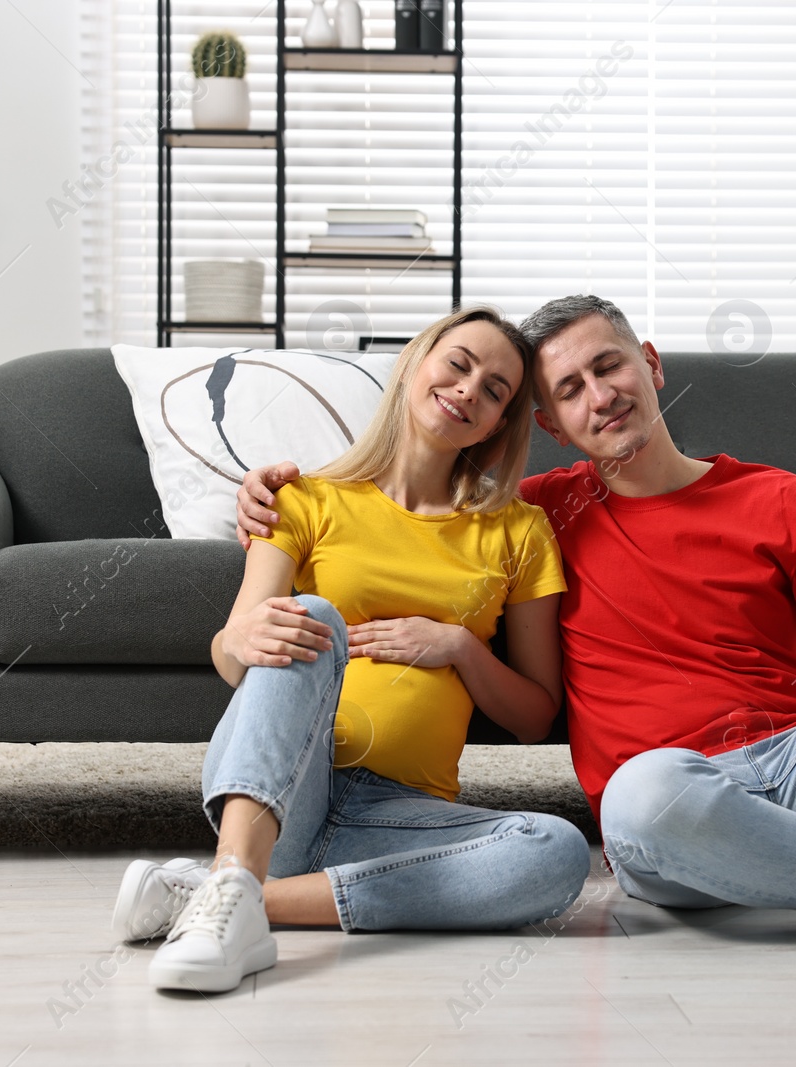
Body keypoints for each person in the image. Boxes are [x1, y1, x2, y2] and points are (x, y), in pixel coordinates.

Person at [236, 294, 796, 981]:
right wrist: (269, 494)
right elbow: (412, 515)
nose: (600, 396)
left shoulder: (778, 498)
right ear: (548, 424)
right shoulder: (536, 522)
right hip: (668, 813)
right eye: (569, 389)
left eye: (610, 367)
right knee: (637, 792)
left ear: (652, 365)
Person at [113, 306, 591, 994]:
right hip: (284, 788)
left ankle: (227, 893)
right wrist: (235, 637)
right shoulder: (304, 497)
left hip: (398, 814)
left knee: (556, 852)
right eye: (458, 364)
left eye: (494, 390)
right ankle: (237, 883)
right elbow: (234, 650)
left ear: (498, 424)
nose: (468, 389)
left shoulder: (518, 531)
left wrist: (457, 645)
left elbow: (534, 714)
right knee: (308, 613)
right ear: (415, 364)